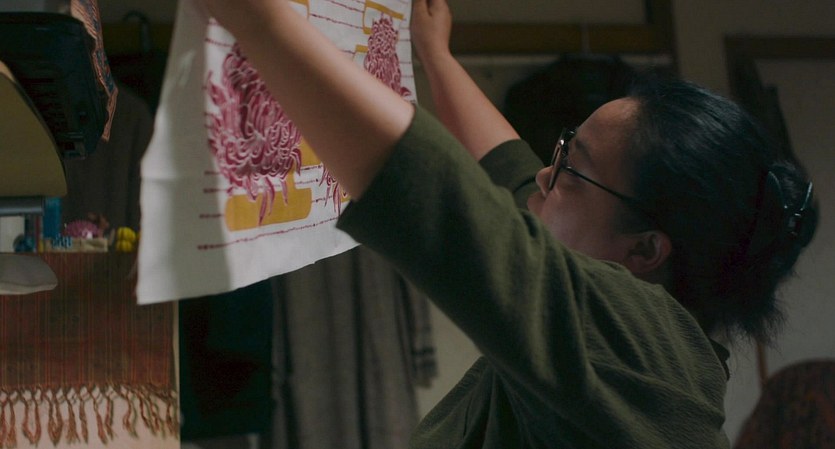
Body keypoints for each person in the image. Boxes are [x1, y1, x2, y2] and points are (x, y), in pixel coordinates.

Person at [199, 0, 819, 447]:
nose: (546, 176)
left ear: (646, 250)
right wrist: (436, 56)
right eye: (561, 151)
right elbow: (513, 173)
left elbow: (441, 199)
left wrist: (260, 20)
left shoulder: (640, 351)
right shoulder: (631, 320)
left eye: (571, 169)